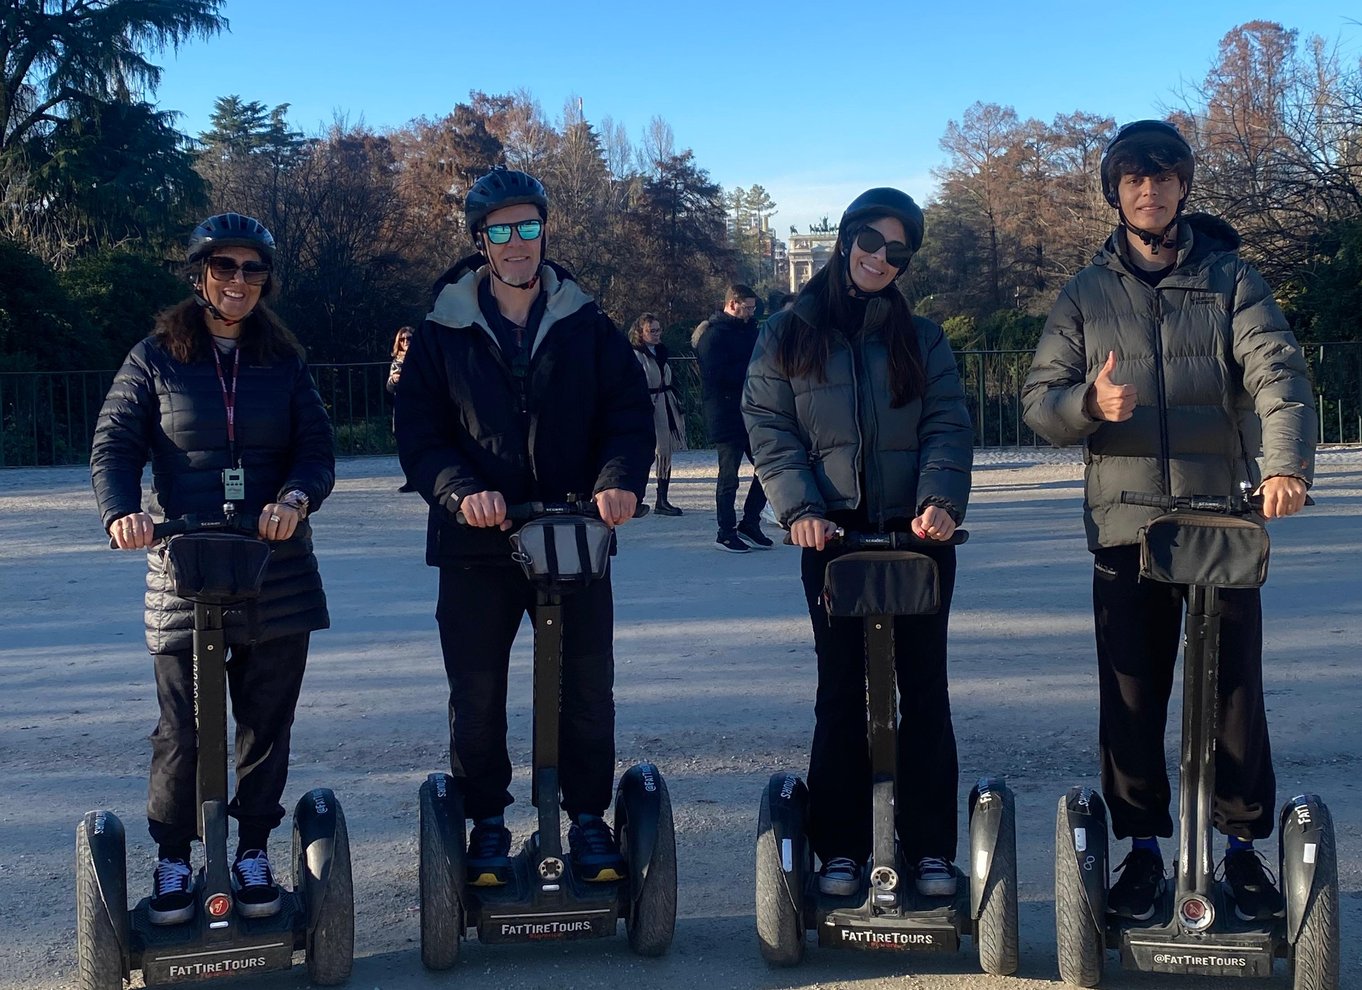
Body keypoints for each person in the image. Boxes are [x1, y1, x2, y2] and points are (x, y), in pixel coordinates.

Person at [1022, 120, 1316, 924]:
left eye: (1162, 178)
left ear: (1184, 186)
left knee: (1233, 697)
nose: (1147, 192)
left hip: (1219, 522)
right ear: (1114, 192)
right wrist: (1089, 403)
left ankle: (1245, 852)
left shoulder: (1231, 280)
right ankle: (1143, 853)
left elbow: (1277, 375)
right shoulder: (1084, 293)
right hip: (1125, 527)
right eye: (1132, 180)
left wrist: (1284, 466)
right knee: (1132, 697)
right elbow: (1038, 401)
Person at [395, 168, 654, 888]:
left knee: (587, 686)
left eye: (528, 227)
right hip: (477, 541)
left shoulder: (589, 323)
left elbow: (627, 416)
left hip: (574, 532)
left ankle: (589, 817)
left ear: (544, 232)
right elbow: (419, 435)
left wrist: (618, 482)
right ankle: (485, 821)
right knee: (476, 692)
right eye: (501, 231)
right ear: (481, 241)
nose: (517, 244)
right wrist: (460, 491)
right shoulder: (441, 332)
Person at [90, 212, 335, 926]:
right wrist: (121, 513)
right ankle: (174, 856)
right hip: (183, 563)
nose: (237, 281)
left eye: (251, 269)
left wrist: (294, 496)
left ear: (266, 280)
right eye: (223, 268)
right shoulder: (155, 357)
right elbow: (113, 445)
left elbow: (316, 452)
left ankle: (252, 847)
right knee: (182, 729)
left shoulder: (284, 360)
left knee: (265, 722)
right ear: (199, 276)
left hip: (274, 563)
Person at [744, 188, 974, 898]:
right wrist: (800, 510)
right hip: (834, 535)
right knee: (841, 693)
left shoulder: (922, 337)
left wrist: (939, 501)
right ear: (846, 241)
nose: (880, 258)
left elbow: (948, 425)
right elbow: (770, 427)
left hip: (916, 535)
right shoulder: (787, 333)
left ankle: (931, 847)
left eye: (896, 251)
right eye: (870, 242)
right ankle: (841, 846)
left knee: (924, 691)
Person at [696, 283, 770, 552]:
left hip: (750, 411)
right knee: (729, 477)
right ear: (732, 304)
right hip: (726, 413)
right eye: (747, 307)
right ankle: (725, 531)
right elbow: (715, 376)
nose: (751, 312)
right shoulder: (713, 335)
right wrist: (752, 370)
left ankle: (750, 522)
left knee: (767, 469)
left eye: (753, 308)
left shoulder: (749, 331)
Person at [629, 312, 687, 516]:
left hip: (665, 405)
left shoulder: (661, 353)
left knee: (665, 452)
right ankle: (636, 499)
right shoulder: (636, 355)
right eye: (651, 330)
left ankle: (662, 499)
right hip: (648, 407)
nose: (656, 334)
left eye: (658, 330)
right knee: (642, 455)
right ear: (640, 332)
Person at [387, 325, 413, 397]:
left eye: (409, 338)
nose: (405, 342)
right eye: (401, 339)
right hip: (404, 400)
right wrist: (393, 380)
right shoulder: (397, 362)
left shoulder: (423, 357)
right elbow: (390, 388)